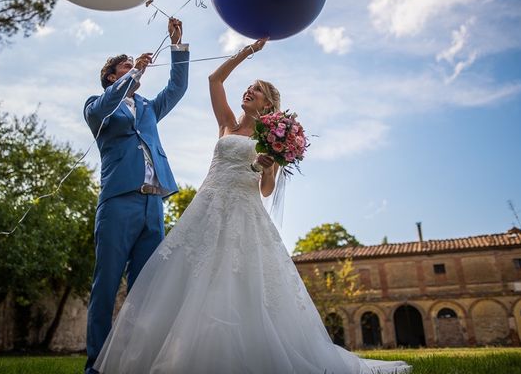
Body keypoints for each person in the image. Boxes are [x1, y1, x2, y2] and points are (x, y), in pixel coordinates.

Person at [92, 39, 410, 373]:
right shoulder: (227, 122)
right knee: (188, 279)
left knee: (234, 284)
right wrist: (247, 53)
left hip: (243, 213)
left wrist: (263, 165)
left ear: (268, 103)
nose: (247, 91)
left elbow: (268, 189)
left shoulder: (272, 137)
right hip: (207, 207)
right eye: (247, 87)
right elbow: (214, 80)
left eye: (255, 90)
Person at [83, 17, 189, 374]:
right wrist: (134, 74)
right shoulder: (97, 106)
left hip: (153, 203)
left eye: (132, 65)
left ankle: (135, 361)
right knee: (107, 283)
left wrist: (177, 46)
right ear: (112, 76)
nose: (133, 67)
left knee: (146, 289)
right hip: (118, 202)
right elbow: (104, 106)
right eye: (125, 66)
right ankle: (96, 364)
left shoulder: (147, 108)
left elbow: (176, 89)